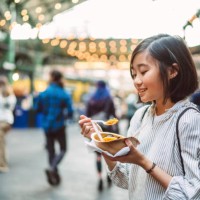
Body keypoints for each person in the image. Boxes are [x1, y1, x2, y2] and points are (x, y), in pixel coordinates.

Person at [79, 34, 200, 199]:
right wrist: (103, 144)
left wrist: (144, 162)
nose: (136, 81)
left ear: (172, 71)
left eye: (143, 71)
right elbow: (126, 180)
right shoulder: (140, 116)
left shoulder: (189, 120)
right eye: (134, 74)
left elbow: (193, 193)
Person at [34, 69, 73, 186]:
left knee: (51, 150)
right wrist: (66, 116)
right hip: (59, 125)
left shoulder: (43, 93)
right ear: (60, 78)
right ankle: (53, 168)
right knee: (63, 149)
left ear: (51, 77)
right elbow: (70, 111)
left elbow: (36, 109)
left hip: (46, 125)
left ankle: (53, 173)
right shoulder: (64, 93)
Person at [85, 80, 119, 191]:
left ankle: (99, 178)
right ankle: (108, 176)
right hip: (106, 131)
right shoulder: (108, 98)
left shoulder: (91, 98)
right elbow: (113, 115)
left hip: (94, 131)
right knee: (107, 154)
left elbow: (87, 116)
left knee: (98, 156)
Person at [0, 75, 17, 173]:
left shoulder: (8, 95)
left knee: (1, 141)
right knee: (1, 142)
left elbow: (9, 106)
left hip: (5, 121)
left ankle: (3, 164)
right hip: (5, 121)